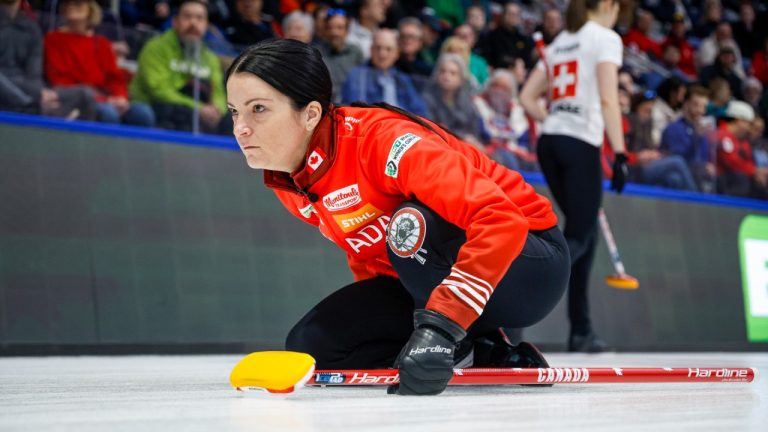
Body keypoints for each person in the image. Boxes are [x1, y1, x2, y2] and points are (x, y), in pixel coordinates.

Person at [226, 38, 570, 396]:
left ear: (311, 114)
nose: (240, 128)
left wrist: (440, 328)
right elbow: (367, 254)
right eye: (235, 111)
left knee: (409, 226)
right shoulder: (290, 183)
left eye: (259, 110)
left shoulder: (385, 141)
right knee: (312, 344)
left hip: (530, 262)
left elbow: (500, 219)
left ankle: (463, 336)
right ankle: (485, 352)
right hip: (445, 270)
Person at [520, 0, 627, 353]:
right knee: (578, 235)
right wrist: (621, 152)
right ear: (609, 5)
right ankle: (516, 296)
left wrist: (553, 117)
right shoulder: (604, 38)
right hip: (580, 143)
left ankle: (581, 329)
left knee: (585, 232)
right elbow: (609, 100)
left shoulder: (559, 41)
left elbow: (526, 98)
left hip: (551, 142)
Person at [44, 0, 155, 127]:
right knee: (108, 113)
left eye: (78, 3)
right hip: (77, 100)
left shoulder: (101, 43)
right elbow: (59, 80)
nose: (72, 5)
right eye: (69, 3)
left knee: (143, 113)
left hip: (107, 98)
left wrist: (120, 97)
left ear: (90, 9)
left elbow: (115, 78)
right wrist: (105, 100)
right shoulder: (53, 39)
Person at [130, 0, 226, 133]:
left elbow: (219, 93)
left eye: (199, 18)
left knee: (231, 120)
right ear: (175, 22)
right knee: (181, 113)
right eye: (187, 17)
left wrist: (217, 109)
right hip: (155, 107)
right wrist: (198, 107)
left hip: (193, 113)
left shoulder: (210, 58)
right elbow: (158, 90)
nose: (193, 23)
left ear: (206, 25)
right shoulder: (156, 47)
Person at [0, 0, 97, 120]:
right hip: (10, 94)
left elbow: (34, 76)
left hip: (30, 93)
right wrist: (31, 98)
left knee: (84, 95)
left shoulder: (31, 28)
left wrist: (40, 94)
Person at [341, 29, 427, 117]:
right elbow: (353, 110)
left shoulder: (403, 79)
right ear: (371, 50)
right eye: (378, 48)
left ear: (397, 53)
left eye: (388, 49)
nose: (382, 54)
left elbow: (420, 111)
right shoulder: (357, 76)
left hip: (401, 127)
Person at [473, 69, 537, 172]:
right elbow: (481, 134)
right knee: (506, 158)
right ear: (488, 87)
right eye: (495, 86)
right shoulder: (477, 105)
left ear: (512, 92)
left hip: (516, 153)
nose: (499, 91)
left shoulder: (518, 110)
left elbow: (523, 141)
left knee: (536, 165)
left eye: (504, 88)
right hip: (489, 151)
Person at [660, 85, 717, 192]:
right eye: (696, 105)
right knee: (675, 179)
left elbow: (705, 158)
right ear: (686, 104)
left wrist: (708, 166)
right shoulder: (673, 129)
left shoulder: (704, 132)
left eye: (704, 106)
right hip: (684, 176)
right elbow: (678, 161)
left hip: (700, 177)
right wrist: (696, 139)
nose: (700, 110)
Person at [421, 53, 482, 145]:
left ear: (461, 79)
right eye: (443, 71)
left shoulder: (467, 103)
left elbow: (473, 130)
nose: (446, 76)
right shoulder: (427, 98)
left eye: (453, 73)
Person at [715, 100, 768, 197]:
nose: (748, 128)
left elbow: (748, 162)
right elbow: (731, 163)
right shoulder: (723, 136)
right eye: (748, 124)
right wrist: (754, 171)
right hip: (723, 180)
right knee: (741, 180)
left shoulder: (742, 142)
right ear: (739, 121)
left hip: (738, 178)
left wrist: (758, 173)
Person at [316, 8, 364, 105]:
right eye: (330, 27)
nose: (334, 32)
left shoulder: (355, 53)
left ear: (347, 31)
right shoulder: (316, 53)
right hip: (324, 106)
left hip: (351, 106)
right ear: (325, 30)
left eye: (339, 28)